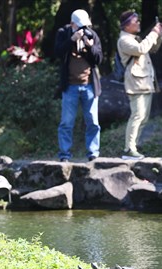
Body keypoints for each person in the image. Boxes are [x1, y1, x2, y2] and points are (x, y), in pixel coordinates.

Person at [55, 9, 103, 162]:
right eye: (80, 26)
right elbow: (57, 52)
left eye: (85, 26)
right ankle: (64, 155)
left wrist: (90, 46)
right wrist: (71, 40)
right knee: (66, 122)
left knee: (93, 122)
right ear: (72, 24)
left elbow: (99, 58)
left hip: (89, 85)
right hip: (70, 86)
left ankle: (93, 153)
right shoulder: (63, 32)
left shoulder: (92, 34)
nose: (83, 29)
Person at [117, 11, 162, 160]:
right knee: (137, 116)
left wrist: (158, 34)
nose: (138, 24)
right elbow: (141, 49)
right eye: (135, 21)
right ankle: (129, 149)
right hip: (136, 82)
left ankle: (133, 147)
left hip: (144, 82)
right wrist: (153, 33)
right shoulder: (124, 40)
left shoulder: (135, 38)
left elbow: (153, 48)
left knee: (143, 117)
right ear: (126, 25)